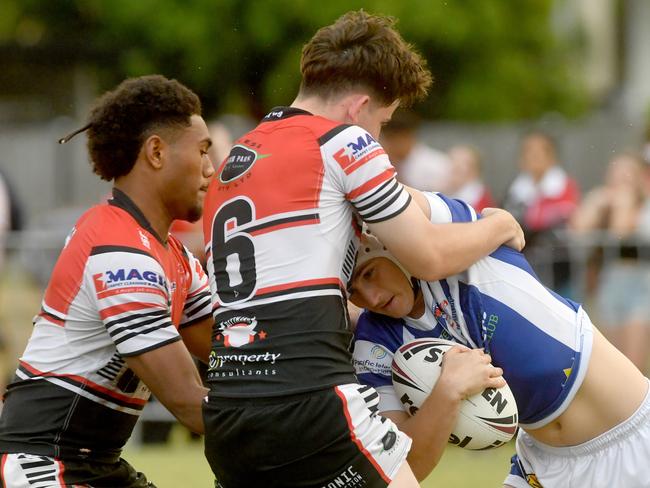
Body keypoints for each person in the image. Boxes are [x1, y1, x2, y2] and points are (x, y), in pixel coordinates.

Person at [201, 10, 524, 488]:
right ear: (359, 107)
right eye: (383, 122)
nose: (379, 138)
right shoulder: (344, 141)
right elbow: (428, 254)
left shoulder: (237, 158)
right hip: (309, 400)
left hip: (226, 412)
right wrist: (497, 225)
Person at [348, 191, 650, 487]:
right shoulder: (373, 341)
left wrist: (503, 222)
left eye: (370, 274)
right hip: (543, 464)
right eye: (353, 292)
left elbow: (377, 186)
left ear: (391, 248)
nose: (370, 298)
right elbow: (405, 466)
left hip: (634, 439)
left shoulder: (459, 243)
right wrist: (448, 391)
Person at [0, 75, 214, 487]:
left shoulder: (175, 256)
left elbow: (233, 355)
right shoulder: (119, 251)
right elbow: (190, 402)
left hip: (94, 462)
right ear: (156, 152)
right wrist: (306, 429)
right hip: (44, 462)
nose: (210, 168)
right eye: (202, 151)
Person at [571, 151, 650, 373]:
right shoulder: (604, 201)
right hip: (610, 284)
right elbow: (578, 229)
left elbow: (621, 231)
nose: (620, 179)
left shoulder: (643, 208)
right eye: (616, 172)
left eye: (627, 173)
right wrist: (596, 203)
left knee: (635, 367)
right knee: (616, 366)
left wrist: (621, 203)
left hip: (641, 286)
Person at [502, 131, 580, 296]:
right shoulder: (516, 188)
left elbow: (549, 218)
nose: (532, 157)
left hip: (558, 267)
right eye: (528, 151)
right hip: (525, 265)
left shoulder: (563, 186)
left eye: (539, 152)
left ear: (552, 156)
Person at [380, 109, 452, 192]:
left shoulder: (436, 165)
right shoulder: (385, 163)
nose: (387, 145)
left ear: (406, 137)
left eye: (390, 139)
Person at [446, 144, 495, 212]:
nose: (453, 165)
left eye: (461, 164)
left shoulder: (478, 200)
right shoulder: (449, 192)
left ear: (474, 171)